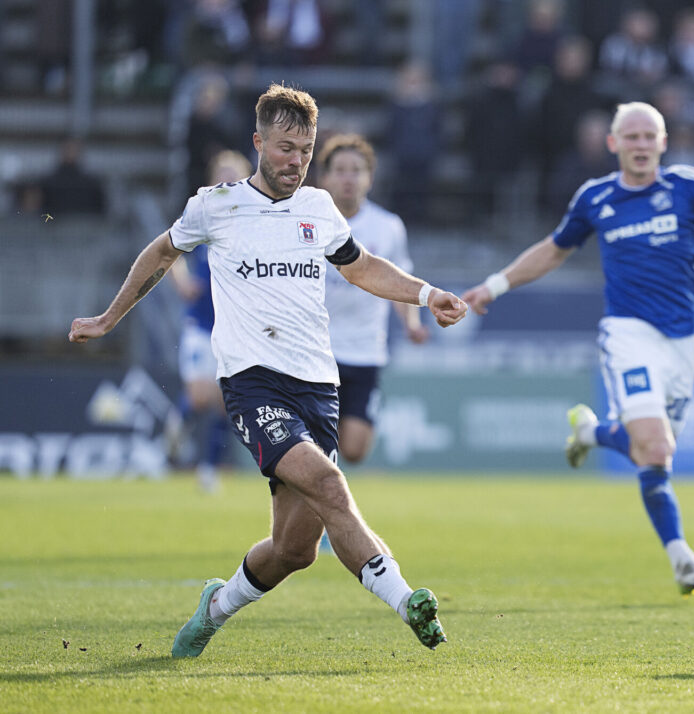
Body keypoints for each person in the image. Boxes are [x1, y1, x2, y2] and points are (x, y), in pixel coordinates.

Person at [69, 84, 466, 656]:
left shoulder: (319, 208)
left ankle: (216, 605)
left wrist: (427, 294)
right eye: (286, 148)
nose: (296, 161)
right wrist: (109, 317)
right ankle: (408, 601)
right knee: (331, 483)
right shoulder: (217, 204)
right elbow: (161, 252)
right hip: (253, 382)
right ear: (258, 142)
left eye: (305, 149)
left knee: (293, 551)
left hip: (318, 386)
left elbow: (361, 269)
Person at [462, 102, 694, 596]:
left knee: (653, 452)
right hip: (628, 335)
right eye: (630, 137)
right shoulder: (595, 198)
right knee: (656, 446)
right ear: (613, 144)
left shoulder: (689, 186)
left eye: (649, 136)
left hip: (684, 342)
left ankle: (593, 432)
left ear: (664, 143)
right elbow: (553, 249)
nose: (640, 145)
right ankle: (683, 559)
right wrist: (494, 286)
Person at [317, 133, 429, 467]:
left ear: (370, 178)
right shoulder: (309, 223)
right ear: (324, 178)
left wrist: (412, 324)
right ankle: (319, 502)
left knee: (353, 449)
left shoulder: (388, 227)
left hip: (366, 350)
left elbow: (398, 282)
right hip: (318, 351)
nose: (348, 178)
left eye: (356, 170)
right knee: (319, 449)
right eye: (340, 170)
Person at [167, 149, 253, 492]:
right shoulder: (203, 213)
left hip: (233, 329)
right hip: (201, 325)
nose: (228, 181)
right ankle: (181, 418)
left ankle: (207, 469)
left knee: (223, 403)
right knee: (202, 396)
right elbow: (171, 252)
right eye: (223, 174)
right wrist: (183, 281)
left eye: (235, 175)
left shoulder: (254, 221)